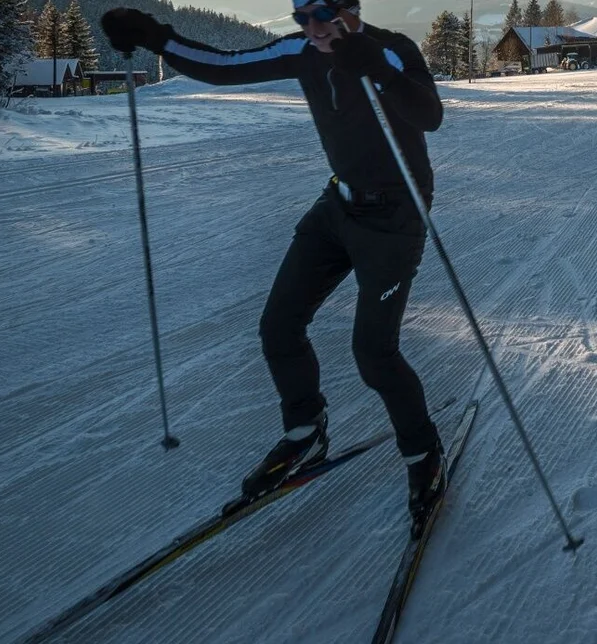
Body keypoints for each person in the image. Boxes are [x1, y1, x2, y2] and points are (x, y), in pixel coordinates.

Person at [101, 0, 449, 522]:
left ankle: (424, 454)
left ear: (350, 8)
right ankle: (305, 431)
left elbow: (430, 114)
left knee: (374, 355)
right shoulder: (303, 50)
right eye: (301, 17)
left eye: (323, 13)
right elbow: (224, 67)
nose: (312, 27)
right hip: (339, 204)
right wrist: (155, 37)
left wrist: (373, 64)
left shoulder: (392, 50)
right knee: (279, 326)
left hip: (395, 216)